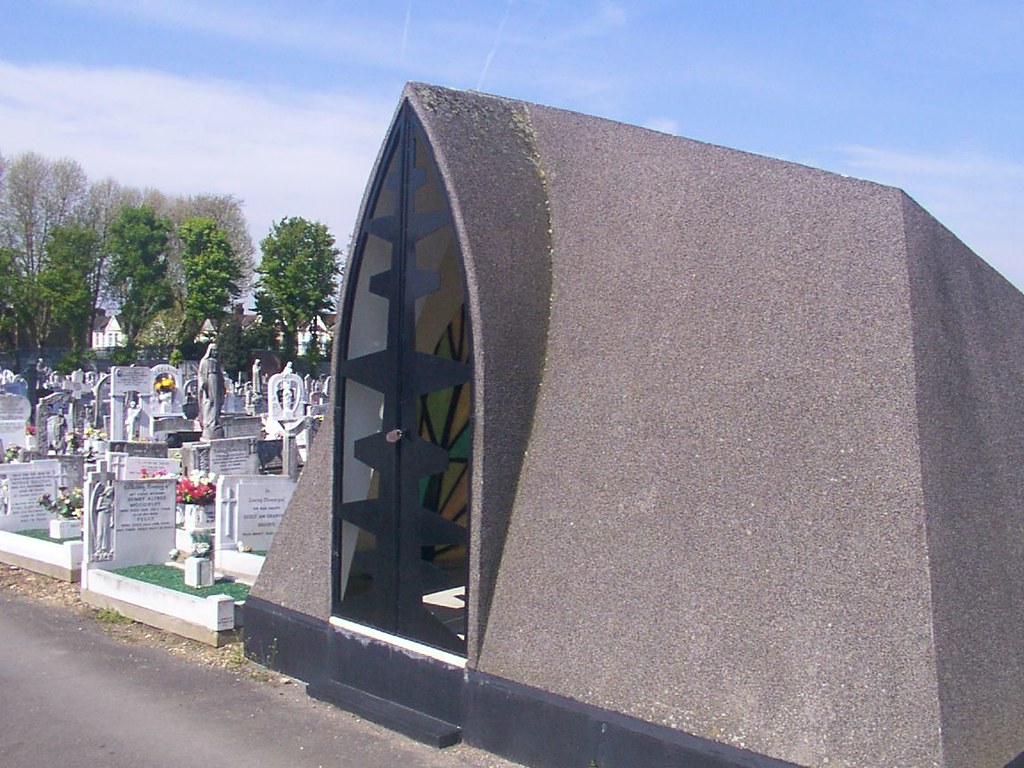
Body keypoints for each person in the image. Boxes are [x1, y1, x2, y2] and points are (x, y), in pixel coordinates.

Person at [197, 343, 225, 440]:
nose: (215, 353)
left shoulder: (216, 362)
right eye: (214, 351)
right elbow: (201, 374)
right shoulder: (205, 361)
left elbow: (221, 375)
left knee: (217, 403)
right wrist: (203, 383)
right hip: (209, 381)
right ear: (210, 351)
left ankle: (215, 421)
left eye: (216, 351)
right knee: (210, 402)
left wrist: (223, 385)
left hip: (216, 380)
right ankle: (209, 423)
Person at [91, 481, 114, 558]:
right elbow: (97, 508)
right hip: (102, 514)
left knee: (106, 532)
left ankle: (105, 549)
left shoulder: (111, 499)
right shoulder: (101, 498)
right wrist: (106, 507)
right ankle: (98, 549)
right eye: (109, 491)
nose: (110, 493)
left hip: (108, 515)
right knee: (100, 532)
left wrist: (111, 508)